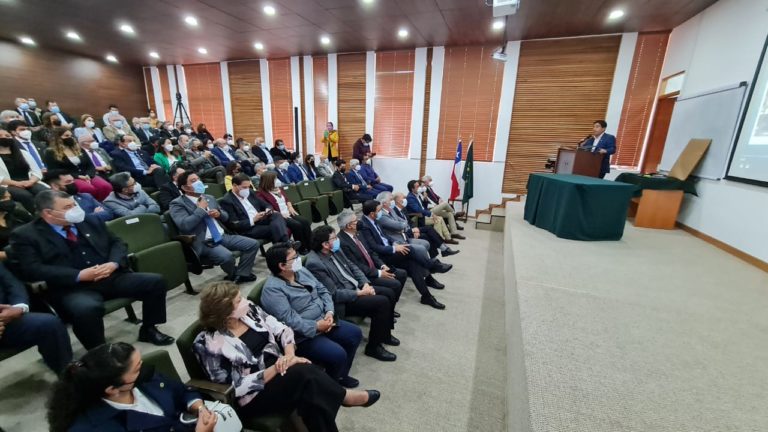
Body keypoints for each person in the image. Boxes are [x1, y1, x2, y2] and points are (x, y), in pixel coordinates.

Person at [194, 282, 379, 432]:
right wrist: (277, 367)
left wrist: (290, 354)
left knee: (311, 393)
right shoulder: (208, 344)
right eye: (238, 301)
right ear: (225, 313)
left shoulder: (249, 312)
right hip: (254, 394)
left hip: (282, 368)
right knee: (305, 374)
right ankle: (344, 396)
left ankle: (336, 402)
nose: (245, 301)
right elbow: (234, 387)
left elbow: (282, 329)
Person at [9, 190, 175, 348]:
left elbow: (117, 243)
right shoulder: (26, 235)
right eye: (67, 207)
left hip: (110, 275)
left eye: (74, 204)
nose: (74, 209)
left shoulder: (89, 220)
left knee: (155, 282)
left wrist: (113, 264)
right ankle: (99, 350)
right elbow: (32, 269)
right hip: (73, 288)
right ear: (48, 213)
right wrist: (79, 275)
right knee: (86, 309)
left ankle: (149, 329)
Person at [47, 342, 220, 432]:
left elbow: (180, 391)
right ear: (112, 389)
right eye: (137, 368)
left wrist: (198, 407)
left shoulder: (143, 381)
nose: (144, 368)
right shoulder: (96, 427)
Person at [260, 243, 363, 388]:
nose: (298, 259)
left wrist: (329, 313)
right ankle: (330, 388)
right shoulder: (273, 290)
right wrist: (316, 326)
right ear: (282, 266)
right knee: (338, 354)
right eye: (294, 258)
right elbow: (289, 320)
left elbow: (323, 290)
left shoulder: (301, 272)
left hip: (325, 319)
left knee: (355, 333)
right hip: (304, 335)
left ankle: (340, 375)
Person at [306, 226, 399, 361]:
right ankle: (373, 347)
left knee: (389, 293)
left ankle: (384, 334)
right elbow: (333, 294)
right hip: (344, 301)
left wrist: (365, 283)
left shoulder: (335, 250)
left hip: (357, 287)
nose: (338, 240)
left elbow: (352, 266)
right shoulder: (315, 264)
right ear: (325, 244)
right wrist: (360, 293)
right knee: (382, 302)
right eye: (334, 238)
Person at [169, 171, 260, 284]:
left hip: (222, 235)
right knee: (227, 256)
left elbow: (226, 216)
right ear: (184, 187)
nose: (198, 182)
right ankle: (233, 274)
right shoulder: (177, 204)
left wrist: (219, 214)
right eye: (193, 181)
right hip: (204, 241)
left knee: (253, 244)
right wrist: (201, 210)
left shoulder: (209, 197)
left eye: (198, 179)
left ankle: (241, 274)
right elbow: (185, 225)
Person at [356, 200, 446, 310]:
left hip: (390, 249)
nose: (381, 212)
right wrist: (394, 248)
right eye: (379, 210)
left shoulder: (376, 220)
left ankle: (426, 297)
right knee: (411, 250)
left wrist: (395, 243)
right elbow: (374, 248)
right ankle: (431, 265)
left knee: (414, 264)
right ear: (372, 213)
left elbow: (385, 237)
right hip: (382, 256)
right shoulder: (365, 225)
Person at [0, 262, 72, 373]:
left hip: (6, 319)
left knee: (49, 324)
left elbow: (12, 284)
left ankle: (70, 378)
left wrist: (19, 307)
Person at [379, 191, 459, 258]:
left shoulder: (402, 208)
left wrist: (414, 229)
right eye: (403, 198)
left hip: (409, 229)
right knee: (428, 232)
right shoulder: (393, 210)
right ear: (397, 201)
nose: (405, 199)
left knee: (429, 231)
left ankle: (439, 253)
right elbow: (400, 225)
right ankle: (442, 250)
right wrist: (411, 229)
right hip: (404, 233)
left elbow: (407, 222)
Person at [43, 128, 113, 201]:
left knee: (106, 186)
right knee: (88, 189)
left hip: (87, 175)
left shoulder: (79, 149)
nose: (70, 138)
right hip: (71, 177)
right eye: (66, 136)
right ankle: (93, 206)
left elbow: (90, 164)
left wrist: (88, 175)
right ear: (58, 138)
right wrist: (78, 176)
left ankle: (104, 204)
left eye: (71, 135)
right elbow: (55, 170)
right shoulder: (51, 153)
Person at [219, 173, 291, 244]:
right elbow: (234, 224)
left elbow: (266, 204)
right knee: (278, 228)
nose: (247, 189)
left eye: (248, 186)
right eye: (244, 187)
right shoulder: (227, 201)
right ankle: (287, 245)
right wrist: (253, 220)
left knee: (277, 215)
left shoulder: (250, 192)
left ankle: (285, 247)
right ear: (234, 185)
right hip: (249, 228)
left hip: (261, 220)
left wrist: (268, 209)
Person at [255, 171, 312, 253]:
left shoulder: (278, 189)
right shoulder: (261, 193)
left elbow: (286, 199)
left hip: (287, 212)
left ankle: (309, 245)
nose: (277, 180)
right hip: (278, 216)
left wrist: (290, 207)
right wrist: (281, 214)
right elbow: (266, 208)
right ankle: (301, 249)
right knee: (297, 225)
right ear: (268, 181)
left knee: (305, 222)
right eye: (275, 179)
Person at [0, 126, 48, 212]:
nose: (4, 137)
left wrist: (31, 181)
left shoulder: (23, 153)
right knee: (25, 196)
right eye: (0, 135)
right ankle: (37, 216)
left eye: (7, 135)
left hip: (28, 182)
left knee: (43, 191)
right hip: (8, 184)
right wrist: (16, 183)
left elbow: (36, 171)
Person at [45, 170, 114, 223]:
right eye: (68, 182)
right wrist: (94, 215)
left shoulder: (85, 196)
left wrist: (86, 218)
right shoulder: (53, 205)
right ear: (55, 186)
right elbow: (71, 223)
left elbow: (109, 213)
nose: (73, 184)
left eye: (73, 181)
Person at [0, 186, 32, 251]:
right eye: (4, 198)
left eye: (9, 197)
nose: (8, 200)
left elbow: (35, 223)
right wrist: (9, 254)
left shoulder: (16, 213)